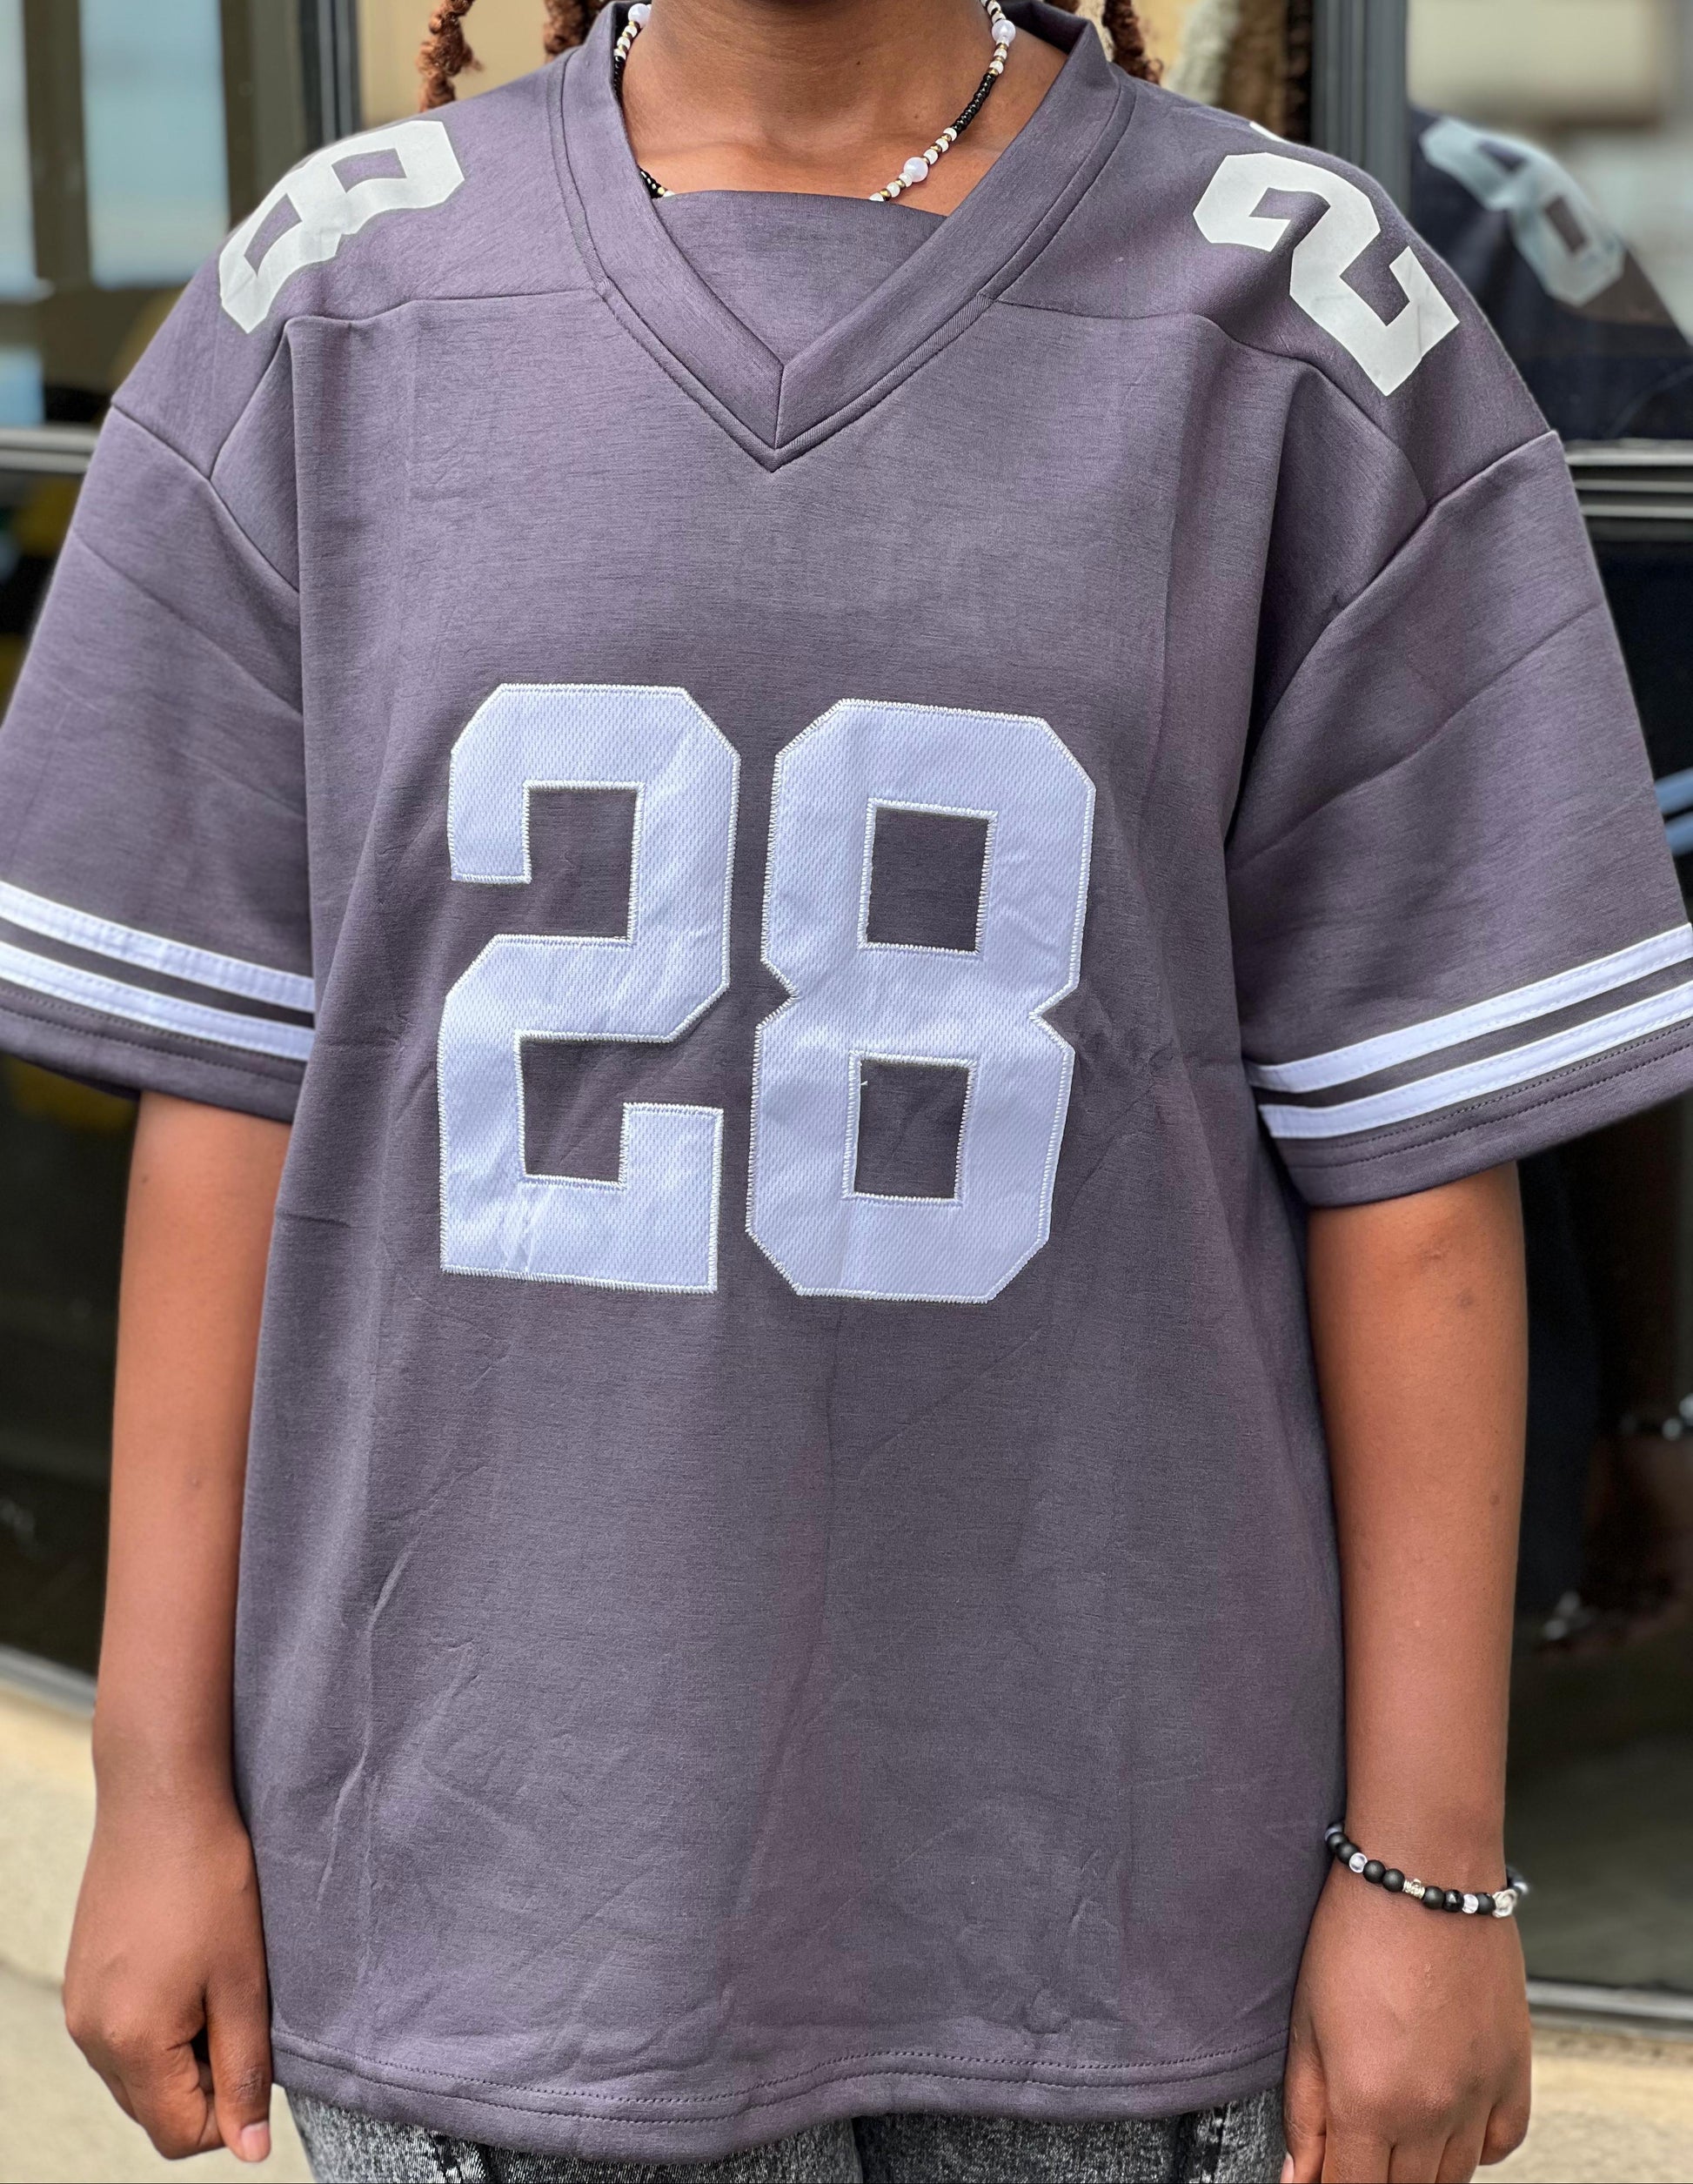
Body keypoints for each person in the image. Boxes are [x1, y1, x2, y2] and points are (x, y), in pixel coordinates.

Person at [5, 1, 1692, 2178]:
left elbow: (1409, 1165)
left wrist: (1429, 1864)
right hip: (485, 1882)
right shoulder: (332, 294)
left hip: (1124, 1888)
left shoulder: (1300, 309)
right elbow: (226, 1096)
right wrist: (155, 1782)